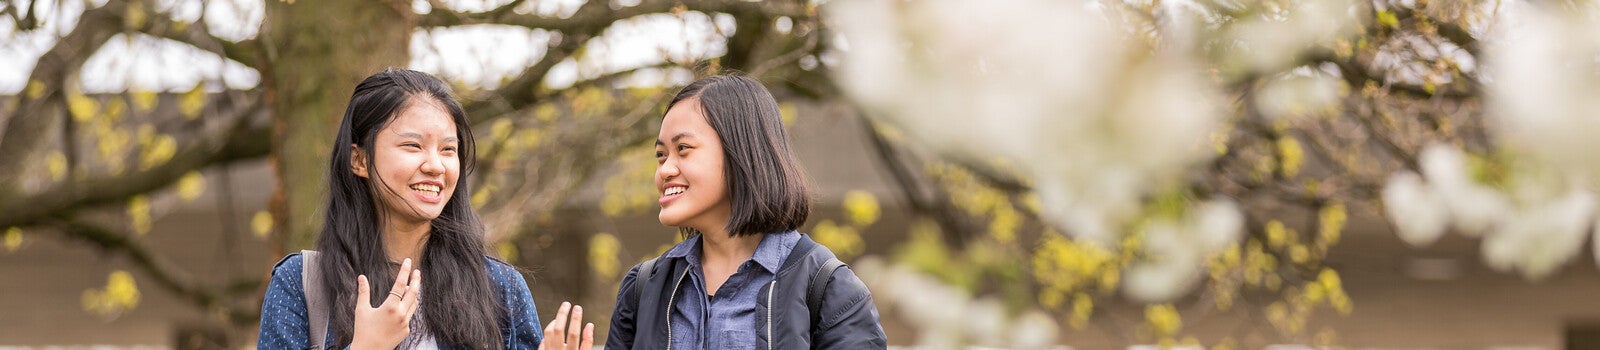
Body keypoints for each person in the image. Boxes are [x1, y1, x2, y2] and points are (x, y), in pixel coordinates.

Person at [257, 68, 594, 350]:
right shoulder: (301, 284)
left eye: (448, 150)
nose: (435, 165)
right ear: (359, 159)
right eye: (413, 145)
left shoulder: (501, 288)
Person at [605, 74, 889, 349]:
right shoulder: (643, 288)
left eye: (683, 148)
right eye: (661, 155)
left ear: (741, 152)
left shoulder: (828, 289)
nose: (665, 170)